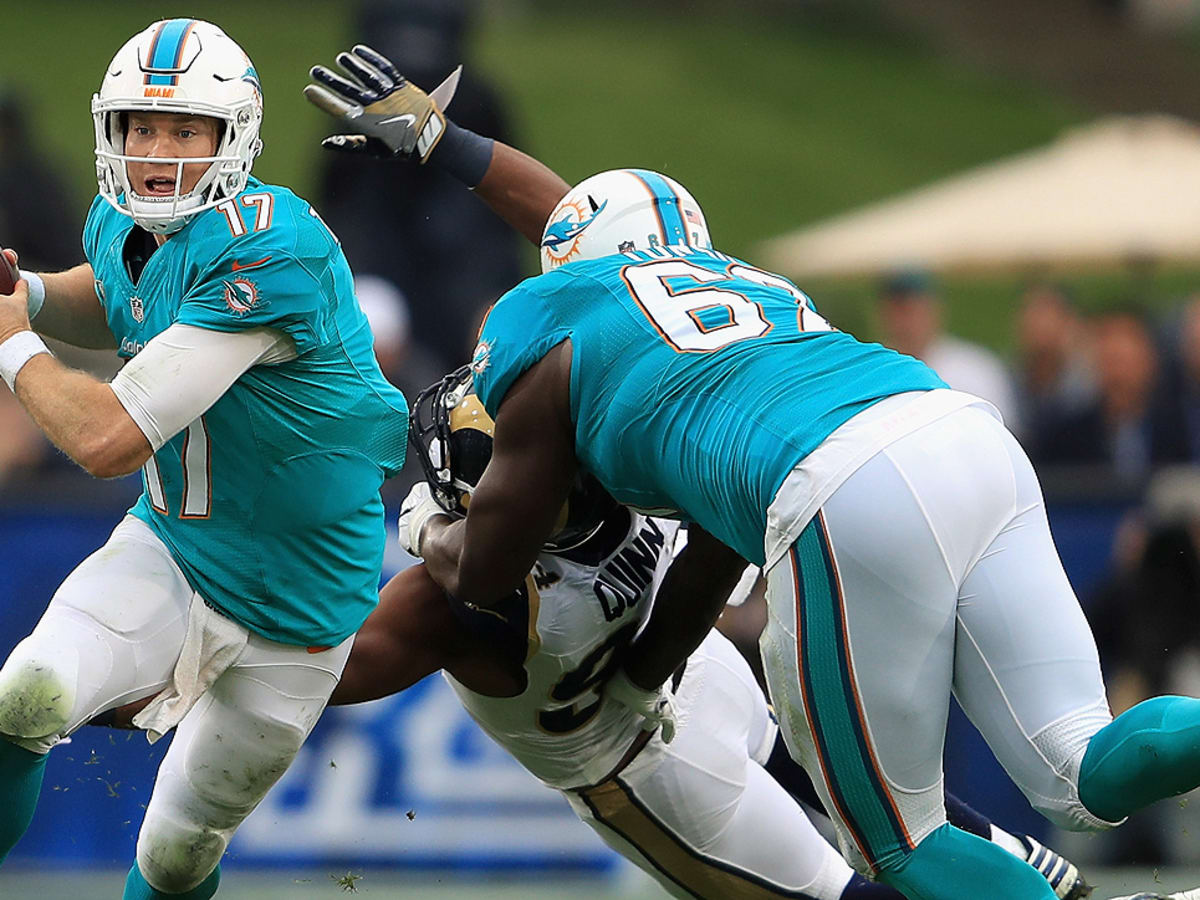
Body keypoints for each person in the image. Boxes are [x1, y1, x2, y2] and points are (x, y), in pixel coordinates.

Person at [306, 48, 1200, 900]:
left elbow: (492, 569)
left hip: (845, 487)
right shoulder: (748, 284)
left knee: (894, 842)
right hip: (959, 429)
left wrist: (424, 525)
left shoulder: (550, 327)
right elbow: (578, 227)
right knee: (1081, 769)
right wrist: (443, 141)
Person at [101, 365, 1089, 899]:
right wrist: (141, 681)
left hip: (711, 677)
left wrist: (454, 153)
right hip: (647, 771)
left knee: (905, 820)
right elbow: (307, 674)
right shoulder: (449, 607)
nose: (559, 483)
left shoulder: (607, 440)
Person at [0, 20, 413, 900]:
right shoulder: (121, 219)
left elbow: (108, 440)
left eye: (185, 130)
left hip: (301, 602)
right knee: (26, 695)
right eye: (140, 128)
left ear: (233, 138)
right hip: (178, 547)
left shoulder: (274, 249)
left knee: (177, 856)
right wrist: (27, 296)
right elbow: (116, 295)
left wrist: (10, 346)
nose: (157, 152)